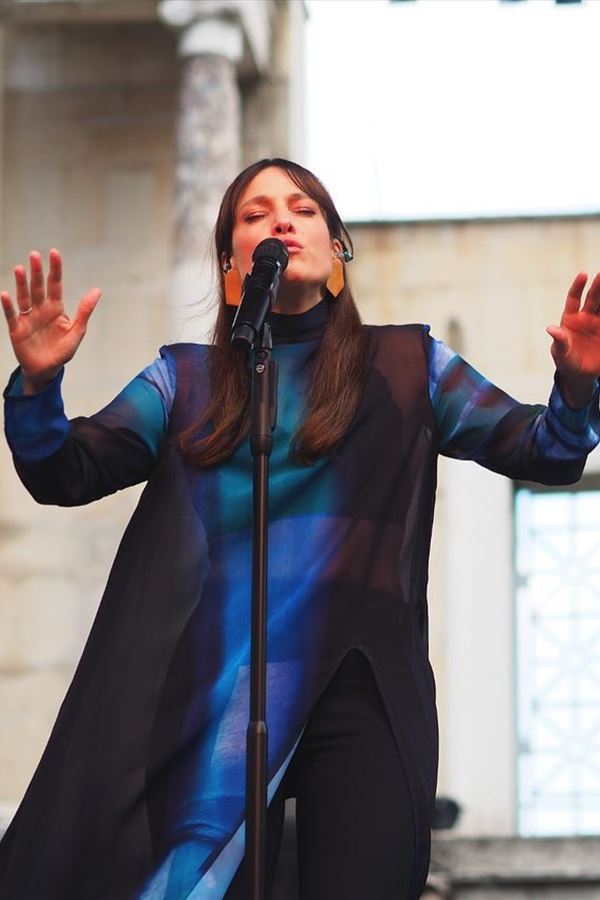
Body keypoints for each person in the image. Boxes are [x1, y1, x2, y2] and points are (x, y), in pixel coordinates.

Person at [1, 158, 600, 900]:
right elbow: (65, 471)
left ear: (336, 246)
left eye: (303, 207)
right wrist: (36, 386)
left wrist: (576, 390)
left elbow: (543, 450)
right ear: (232, 264)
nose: (281, 220)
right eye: (254, 215)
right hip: (220, 697)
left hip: (362, 689)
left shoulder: (411, 367)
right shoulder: (183, 382)